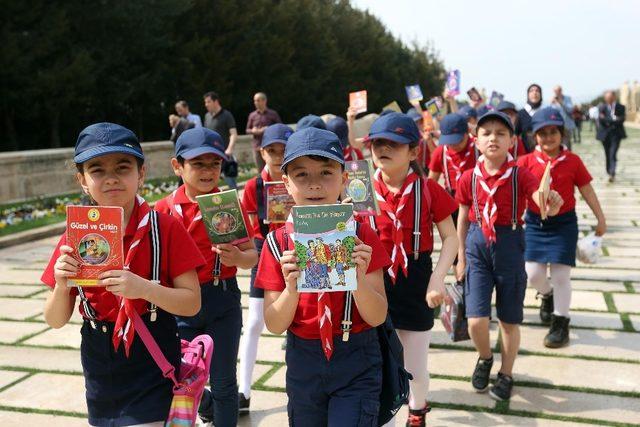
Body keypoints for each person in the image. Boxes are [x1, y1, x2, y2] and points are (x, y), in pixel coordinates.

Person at [41, 123, 204, 426]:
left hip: (152, 354)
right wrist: (62, 286)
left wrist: (143, 288)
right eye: (97, 169)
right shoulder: (75, 236)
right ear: (82, 181)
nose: (112, 178)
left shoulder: (165, 228)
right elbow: (54, 319)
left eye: (123, 166)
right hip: (100, 359)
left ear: (141, 174)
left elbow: (192, 303)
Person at [255, 127, 391, 426]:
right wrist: (291, 289)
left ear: (344, 179)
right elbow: (275, 325)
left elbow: (378, 315)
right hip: (304, 358)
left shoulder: (362, 236)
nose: (314, 184)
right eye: (301, 175)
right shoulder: (277, 243)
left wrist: (357, 279)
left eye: (326, 172)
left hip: (356, 353)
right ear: (286, 184)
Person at [456, 111, 563, 402]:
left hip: (510, 242)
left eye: (501, 133)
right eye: (486, 133)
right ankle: (485, 356)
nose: (493, 138)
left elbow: (543, 204)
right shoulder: (468, 177)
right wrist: (460, 257)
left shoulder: (521, 174)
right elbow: (463, 217)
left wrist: (551, 203)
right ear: (475, 141)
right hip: (477, 244)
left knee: (509, 320)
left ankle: (506, 372)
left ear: (512, 141)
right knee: (476, 320)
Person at [155, 127, 258, 426]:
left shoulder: (226, 204)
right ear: (178, 166)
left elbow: (253, 255)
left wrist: (238, 258)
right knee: (182, 378)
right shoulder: (163, 210)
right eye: (198, 163)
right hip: (179, 305)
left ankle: (221, 411)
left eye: (214, 163)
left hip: (221, 298)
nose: (208, 170)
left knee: (225, 381)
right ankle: (207, 403)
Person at [367, 113, 458, 426]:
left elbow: (451, 238)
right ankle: (386, 416)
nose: (383, 148)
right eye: (377, 142)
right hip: (373, 279)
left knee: (415, 363)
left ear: (413, 151)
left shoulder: (429, 189)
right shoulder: (357, 189)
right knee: (378, 360)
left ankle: (417, 411)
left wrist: (438, 278)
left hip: (417, 277)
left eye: (393, 143)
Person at [518, 107, 606, 348]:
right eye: (542, 132)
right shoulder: (524, 162)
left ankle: (560, 321)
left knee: (560, 275)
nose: (548, 137)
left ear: (562, 134)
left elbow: (587, 189)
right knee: (533, 273)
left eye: (553, 131)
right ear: (534, 136)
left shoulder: (573, 161)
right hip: (535, 224)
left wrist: (601, 218)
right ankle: (546, 295)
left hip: (565, 224)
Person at [238, 123, 293, 414]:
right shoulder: (252, 187)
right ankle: (243, 391)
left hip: (297, 254)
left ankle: (298, 388)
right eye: (272, 150)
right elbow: (249, 228)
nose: (277, 155)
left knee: (296, 322)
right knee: (255, 322)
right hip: (265, 256)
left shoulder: (297, 179)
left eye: (283, 151)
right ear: (262, 152)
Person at [428, 113, 476, 200]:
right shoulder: (440, 152)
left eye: (459, 141)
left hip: (476, 199)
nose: (454, 145)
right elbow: (431, 182)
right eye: (450, 142)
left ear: (468, 131)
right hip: (452, 201)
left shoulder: (479, 147)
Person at [203, 91, 239, 188]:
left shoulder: (227, 115)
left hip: (225, 155)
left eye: (208, 102)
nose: (206, 105)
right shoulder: (207, 116)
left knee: (231, 183)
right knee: (210, 183)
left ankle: (236, 202)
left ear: (216, 101)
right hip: (211, 155)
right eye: (205, 102)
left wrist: (230, 149)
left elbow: (233, 134)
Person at [246, 92, 282, 171]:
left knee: (273, 169)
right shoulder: (252, 115)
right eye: (255, 101)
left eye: (258, 100)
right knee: (261, 170)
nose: (256, 103)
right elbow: (247, 130)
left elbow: (280, 128)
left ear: (264, 101)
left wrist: (268, 129)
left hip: (270, 147)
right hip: (257, 147)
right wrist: (253, 130)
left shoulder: (273, 114)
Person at [596, 91, 627, 182]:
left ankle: (612, 172)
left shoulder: (621, 107)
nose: (608, 99)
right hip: (605, 135)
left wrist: (609, 120)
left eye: (610, 97)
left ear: (614, 97)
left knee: (613, 153)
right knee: (607, 153)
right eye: (607, 97)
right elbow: (601, 119)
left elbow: (622, 119)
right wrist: (614, 119)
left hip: (616, 134)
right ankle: (608, 170)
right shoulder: (602, 107)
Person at [517, 84, 544, 150]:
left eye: (537, 91)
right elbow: (516, 134)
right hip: (526, 153)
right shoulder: (520, 114)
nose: (534, 93)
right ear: (528, 95)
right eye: (531, 91)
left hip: (544, 152)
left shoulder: (544, 113)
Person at [550, 85, 576, 150]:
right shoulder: (553, 100)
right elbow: (552, 112)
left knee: (567, 145)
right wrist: (551, 103)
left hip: (567, 125)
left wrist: (561, 102)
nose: (556, 92)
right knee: (558, 144)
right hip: (557, 125)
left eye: (558, 90)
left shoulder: (567, 98)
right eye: (555, 91)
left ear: (561, 91)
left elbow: (570, 109)